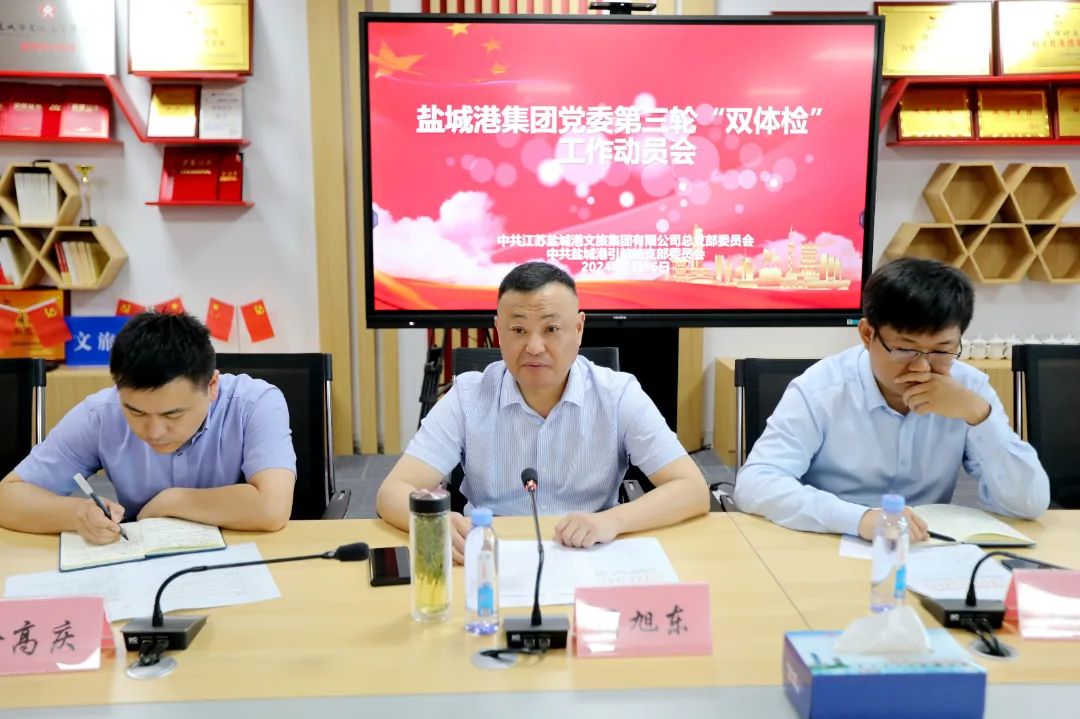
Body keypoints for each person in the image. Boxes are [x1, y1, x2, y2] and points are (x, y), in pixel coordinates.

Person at [377, 261, 710, 562]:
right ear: (498, 330)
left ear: (578, 329)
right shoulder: (467, 397)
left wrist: (612, 520)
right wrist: (431, 520)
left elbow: (692, 488)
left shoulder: (617, 395)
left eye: (551, 329)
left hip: (590, 554)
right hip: (491, 560)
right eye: (518, 330)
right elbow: (393, 490)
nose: (534, 347)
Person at [734, 257, 1049, 541]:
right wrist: (859, 519)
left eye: (941, 350)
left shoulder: (968, 389)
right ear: (867, 334)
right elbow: (756, 483)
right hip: (832, 540)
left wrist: (980, 416)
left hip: (928, 549)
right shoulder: (821, 389)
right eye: (905, 349)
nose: (922, 367)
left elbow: (1028, 504)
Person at [0, 312, 297, 544]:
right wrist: (77, 513)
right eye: (136, 411)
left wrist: (171, 501)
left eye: (173, 414)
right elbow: (7, 498)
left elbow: (271, 508)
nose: (153, 432)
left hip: (242, 554)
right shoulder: (100, 414)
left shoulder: (255, 403)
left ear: (212, 386)